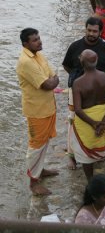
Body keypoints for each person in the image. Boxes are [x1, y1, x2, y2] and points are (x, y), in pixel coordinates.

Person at [62, 17, 105, 170]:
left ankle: (97, 151)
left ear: (100, 32)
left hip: (99, 93)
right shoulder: (75, 46)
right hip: (77, 91)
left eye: (95, 31)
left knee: (102, 122)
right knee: (73, 122)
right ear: (85, 29)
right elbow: (66, 65)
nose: (91, 34)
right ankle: (72, 155)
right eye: (89, 30)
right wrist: (78, 78)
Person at [16, 28, 59, 195]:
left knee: (44, 142)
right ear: (26, 44)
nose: (39, 41)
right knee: (36, 146)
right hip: (37, 111)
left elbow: (54, 76)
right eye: (35, 40)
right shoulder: (25, 61)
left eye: (39, 38)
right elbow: (49, 84)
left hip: (47, 107)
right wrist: (52, 80)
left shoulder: (38, 55)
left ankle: (40, 170)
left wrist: (52, 80)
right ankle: (34, 184)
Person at [70, 50, 105, 181]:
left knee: (86, 158)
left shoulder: (78, 83)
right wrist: (103, 122)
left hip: (87, 121)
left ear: (82, 62)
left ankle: (91, 184)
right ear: (96, 62)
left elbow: (78, 110)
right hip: (104, 117)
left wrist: (94, 124)